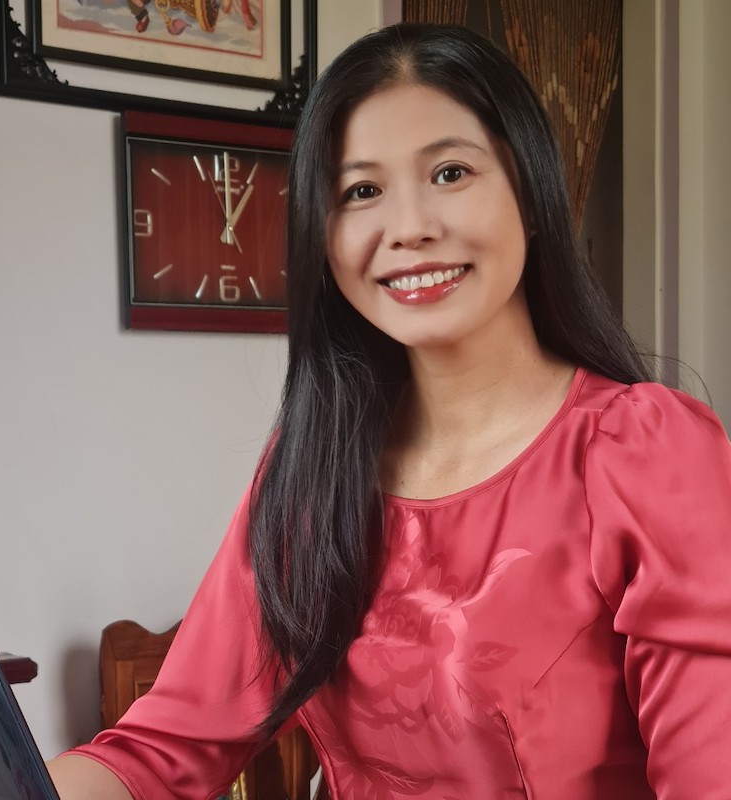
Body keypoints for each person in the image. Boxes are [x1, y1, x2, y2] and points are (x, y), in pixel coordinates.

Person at [48, 22, 731, 799]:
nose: (409, 229)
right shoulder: (316, 471)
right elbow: (158, 752)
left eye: (450, 172)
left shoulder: (646, 452)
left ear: (533, 195)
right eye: (362, 191)